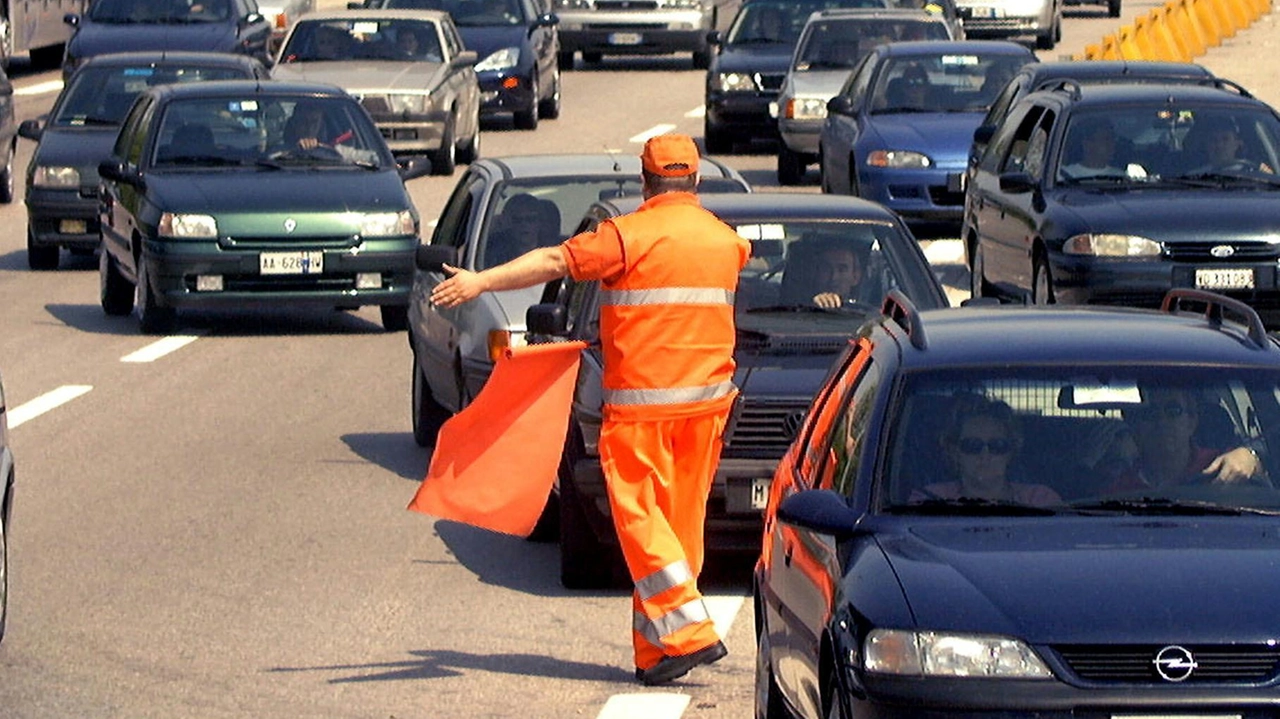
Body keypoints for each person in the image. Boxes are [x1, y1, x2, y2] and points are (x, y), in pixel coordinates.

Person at [430, 134, 751, 686]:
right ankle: (659, 652)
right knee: (677, 531)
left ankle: (689, 632)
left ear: (645, 183)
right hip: (707, 410)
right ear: (695, 181)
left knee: (642, 522)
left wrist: (479, 280)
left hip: (640, 410)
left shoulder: (627, 237)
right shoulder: (727, 242)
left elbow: (555, 260)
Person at [1104, 387, 1263, 493]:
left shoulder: (1224, 465)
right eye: (1150, 413)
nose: (1162, 421)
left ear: (1192, 420)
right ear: (1134, 426)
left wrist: (1252, 458)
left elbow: (1265, 478)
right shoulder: (1119, 490)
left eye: (1173, 411)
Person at [911, 394, 1062, 506]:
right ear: (954, 451)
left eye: (997, 446)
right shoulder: (928, 501)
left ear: (1011, 451)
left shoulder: (1041, 501)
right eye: (972, 446)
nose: (985, 455)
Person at [484, 194, 559, 267]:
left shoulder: (555, 251)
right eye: (517, 220)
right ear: (508, 223)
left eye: (530, 219)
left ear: (540, 222)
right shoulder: (493, 253)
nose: (524, 224)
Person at [1184, 116, 1273, 174]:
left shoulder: (1257, 176)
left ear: (1238, 143)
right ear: (1207, 145)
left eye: (1225, 139)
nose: (1219, 145)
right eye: (1214, 140)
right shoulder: (1193, 177)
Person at [1060, 118, 1126, 179]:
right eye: (1106, 139)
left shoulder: (1119, 176)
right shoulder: (1064, 175)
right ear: (1087, 144)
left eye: (1112, 139)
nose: (1112, 144)